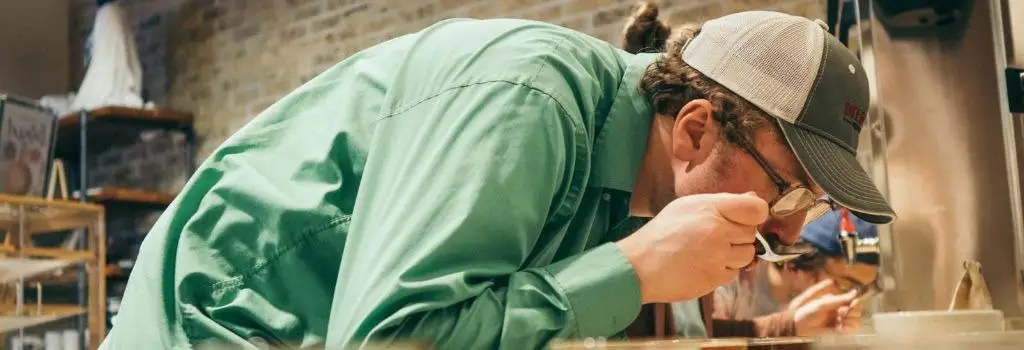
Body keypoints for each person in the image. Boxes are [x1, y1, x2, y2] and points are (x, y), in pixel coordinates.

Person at [101, 3, 896, 349]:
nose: (792, 233)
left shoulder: (631, 193)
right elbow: (387, 342)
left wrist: (760, 323)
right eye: (788, 191)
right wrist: (628, 271)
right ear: (694, 129)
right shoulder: (531, 101)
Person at [707, 207, 881, 338]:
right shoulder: (733, 273)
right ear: (797, 264)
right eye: (845, 285)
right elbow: (699, 339)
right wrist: (787, 327)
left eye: (863, 290)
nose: (853, 300)